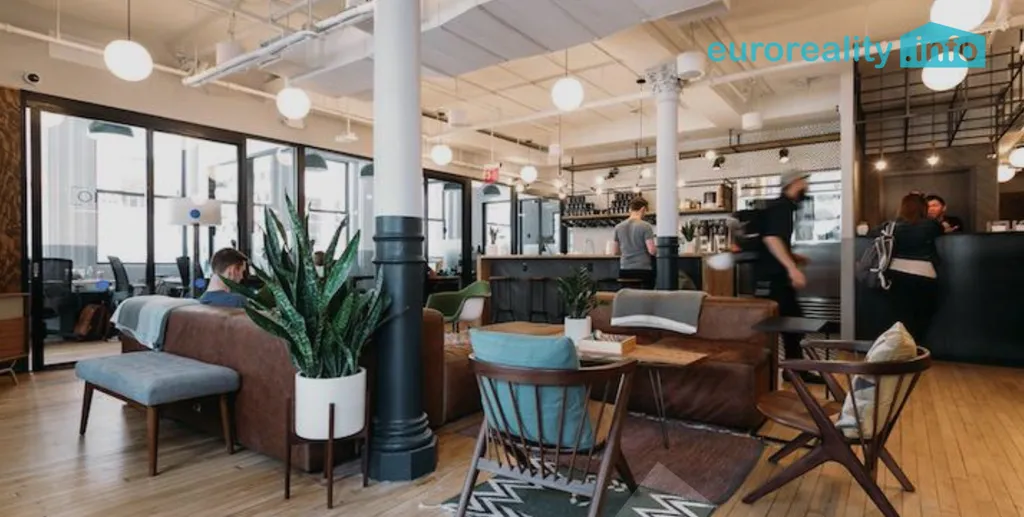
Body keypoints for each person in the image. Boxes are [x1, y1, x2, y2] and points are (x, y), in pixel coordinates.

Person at [755, 170, 813, 363]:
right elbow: (771, 238)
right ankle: (791, 369)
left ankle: (792, 369)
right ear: (794, 183)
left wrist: (793, 257)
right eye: (804, 182)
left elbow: (773, 240)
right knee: (790, 323)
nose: (807, 186)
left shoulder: (782, 206)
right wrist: (792, 268)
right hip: (773, 278)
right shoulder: (782, 208)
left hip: (771, 276)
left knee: (791, 323)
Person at [881, 193, 942, 344]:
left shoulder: (892, 226)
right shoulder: (931, 225)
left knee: (901, 320)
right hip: (924, 274)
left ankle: (903, 350)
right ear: (923, 208)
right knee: (922, 319)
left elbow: (873, 233)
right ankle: (917, 349)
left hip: (896, 274)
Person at [610, 197, 656, 289]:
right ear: (643, 209)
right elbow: (652, 251)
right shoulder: (646, 226)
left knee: (628, 296)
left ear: (630, 209)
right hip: (643, 270)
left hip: (625, 270)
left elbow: (615, 252)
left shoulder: (618, 227)